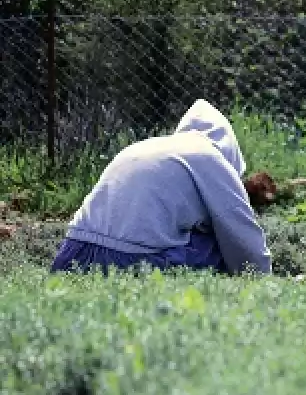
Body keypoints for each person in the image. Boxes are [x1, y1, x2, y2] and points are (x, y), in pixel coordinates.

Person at [50, 98, 272, 276]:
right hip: (127, 259)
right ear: (229, 148)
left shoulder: (150, 147)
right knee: (219, 243)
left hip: (72, 254)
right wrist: (262, 279)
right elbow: (243, 239)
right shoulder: (210, 157)